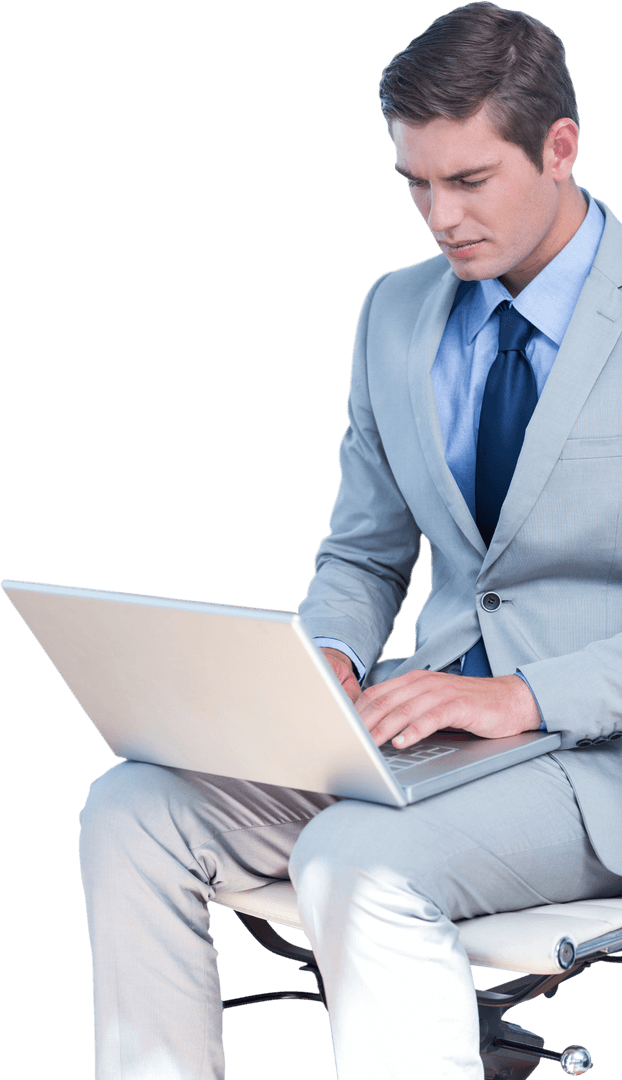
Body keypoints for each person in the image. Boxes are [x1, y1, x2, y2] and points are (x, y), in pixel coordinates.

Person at [78, 4, 622, 1078]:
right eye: (415, 184)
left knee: (353, 858)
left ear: (558, 147)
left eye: (468, 182)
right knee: (132, 807)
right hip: (425, 736)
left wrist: (521, 698)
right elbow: (364, 554)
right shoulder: (396, 312)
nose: (439, 217)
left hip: (594, 760)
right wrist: (324, 657)